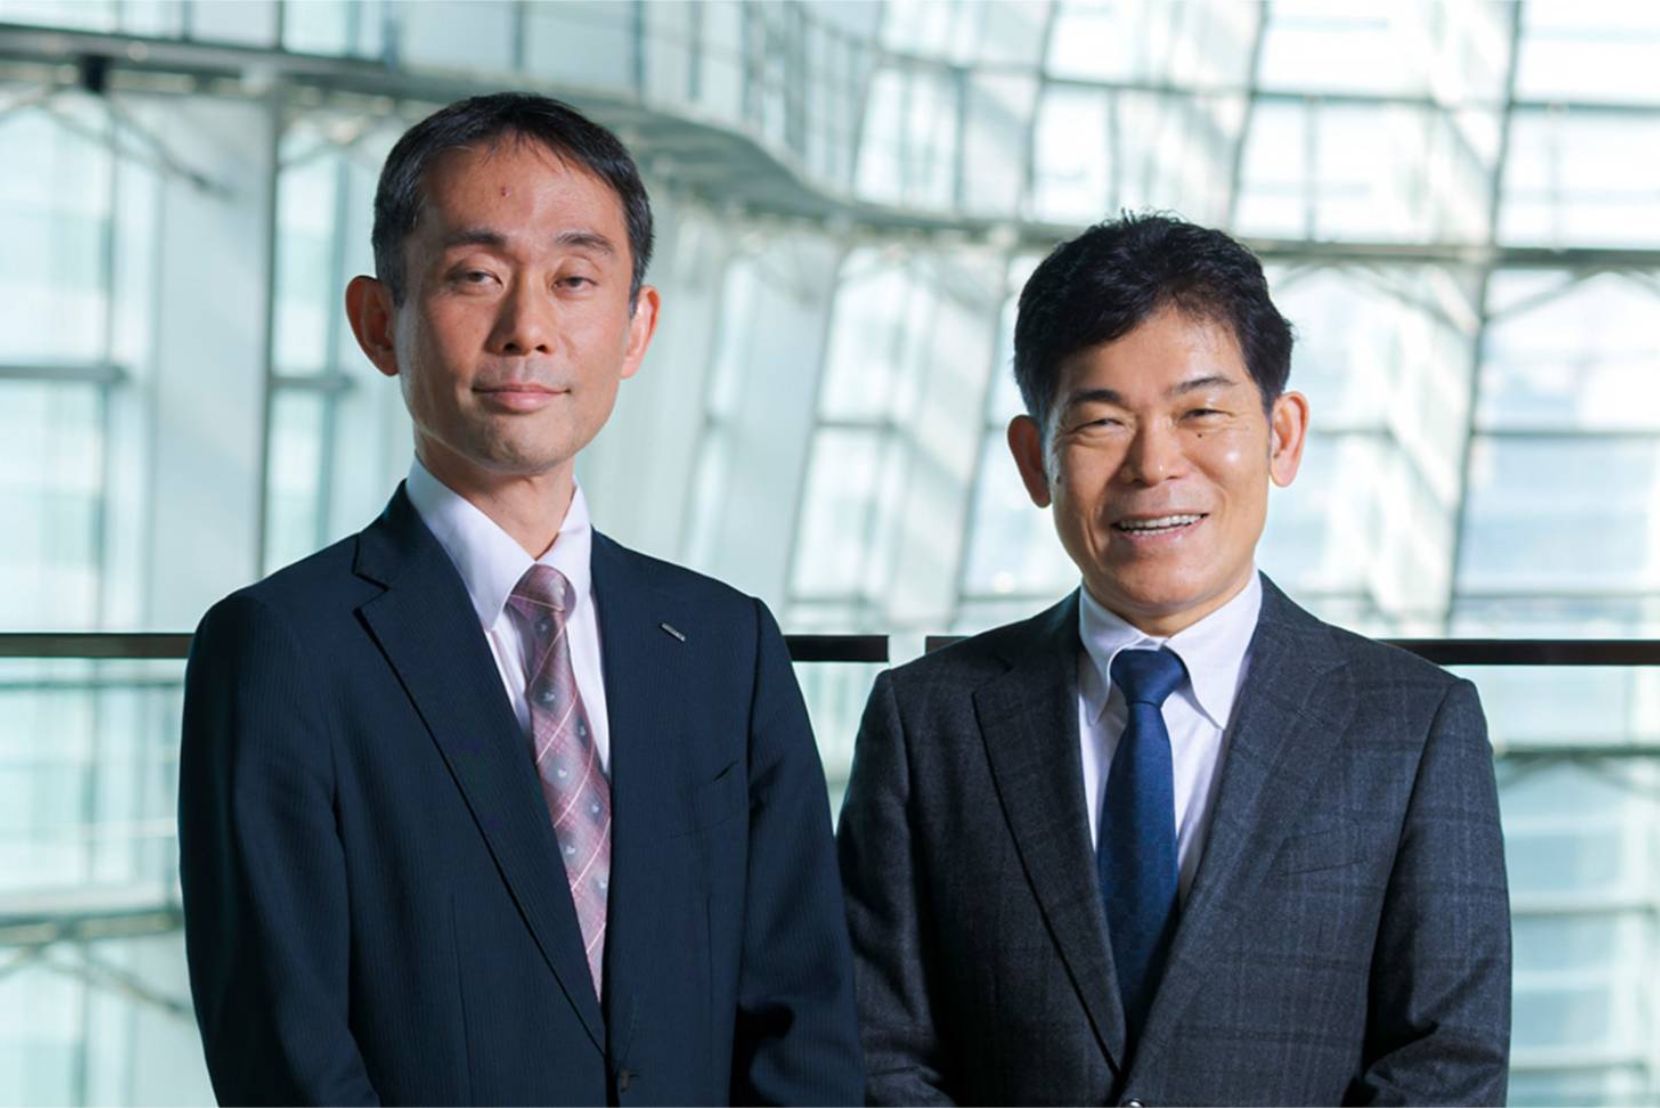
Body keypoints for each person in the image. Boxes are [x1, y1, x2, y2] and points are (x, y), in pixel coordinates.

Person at [178, 92, 862, 1106]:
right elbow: (286, 1054)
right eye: (475, 276)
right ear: (378, 321)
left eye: (575, 279)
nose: (527, 329)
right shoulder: (282, 651)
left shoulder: (726, 644)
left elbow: (806, 1024)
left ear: (636, 329)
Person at [837, 213, 1510, 1106]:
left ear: (1281, 435)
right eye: (1102, 422)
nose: (1155, 466)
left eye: (1201, 413)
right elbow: (875, 1050)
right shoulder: (928, 720)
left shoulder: (1414, 726)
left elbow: (1446, 1062)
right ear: (1035, 460)